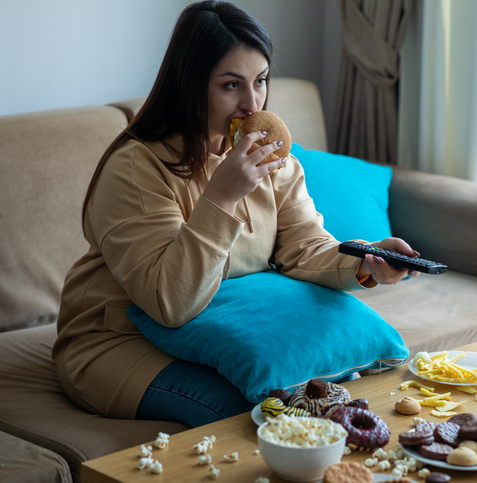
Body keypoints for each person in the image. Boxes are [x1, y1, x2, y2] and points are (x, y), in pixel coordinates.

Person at [52, 0, 419, 428]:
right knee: (266, 419)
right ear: (190, 85)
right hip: (121, 340)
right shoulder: (137, 168)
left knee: (336, 400)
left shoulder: (272, 161)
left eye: (260, 81)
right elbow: (170, 302)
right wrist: (222, 198)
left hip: (219, 330)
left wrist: (367, 260)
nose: (251, 102)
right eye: (231, 85)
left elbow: (305, 248)